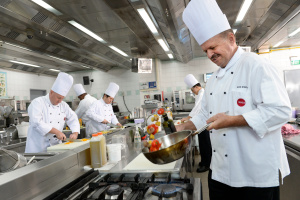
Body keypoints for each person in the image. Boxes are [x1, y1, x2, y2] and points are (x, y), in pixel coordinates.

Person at [176, 0, 292, 199]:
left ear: (231, 39)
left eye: (212, 47)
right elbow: (204, 114)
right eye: (205, 51)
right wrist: (180, 129)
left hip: (255, 176)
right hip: (220, 173)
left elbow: (280, 111)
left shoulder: (257, 66)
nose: (210, 54)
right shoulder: (214, 80)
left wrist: (232, 120)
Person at [25, 72, 80, 153]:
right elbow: (36, 122)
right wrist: (56, 131)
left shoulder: (63, 105)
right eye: (58, 97)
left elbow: (73, 118)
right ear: (51, 92)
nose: (60, 101)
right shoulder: (37, 103)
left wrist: (75, 133)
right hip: (37, 149)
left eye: (62, 98)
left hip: (56, 148)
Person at [181, 74, 211, 173]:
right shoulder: (200, 94)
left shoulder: (202, 93)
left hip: (205, 124)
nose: (193, 92)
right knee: (203, 144)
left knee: (205, 144)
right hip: (202, 123)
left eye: (192, 90)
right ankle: (204, 162)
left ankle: (206, 165)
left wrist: (188, 118)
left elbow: (197, 108)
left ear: (196, 87)